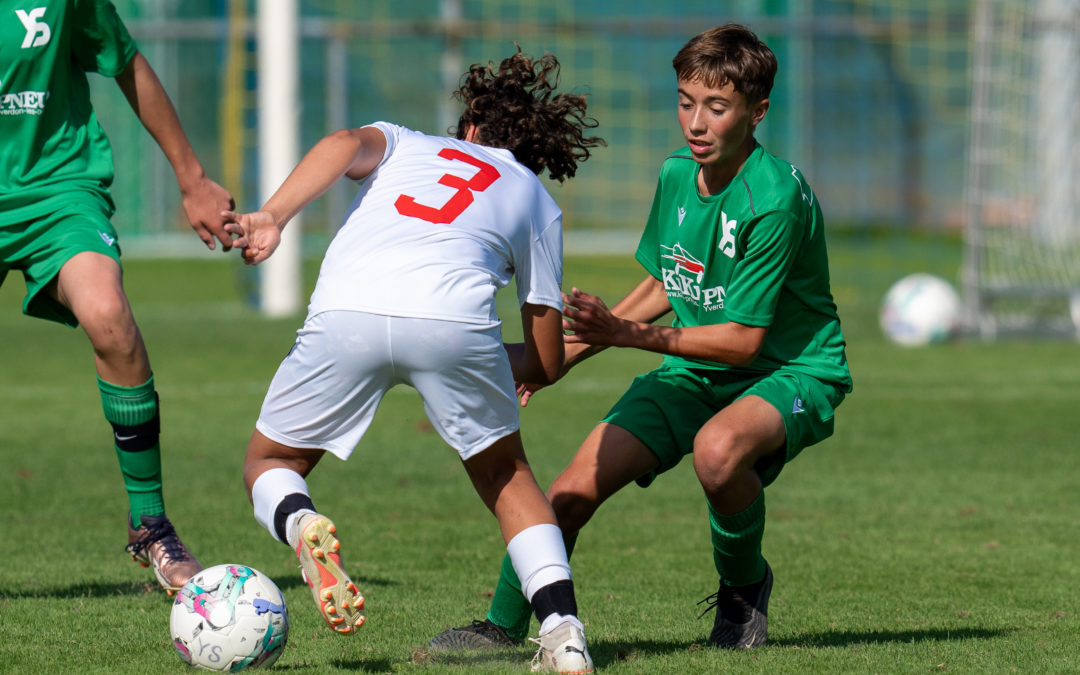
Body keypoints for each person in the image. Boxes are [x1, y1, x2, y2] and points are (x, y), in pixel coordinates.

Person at [428, 23, 852, 652]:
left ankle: (743, 591)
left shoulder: (775, 199)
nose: (696, 123)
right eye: (686, 102)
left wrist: (623, 334)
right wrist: (558, 360)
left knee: (717, 452)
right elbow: (666, 283)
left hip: (791, 369)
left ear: (757, 112)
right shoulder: (678, 175)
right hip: (694, 369)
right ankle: (501, 624)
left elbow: (742, 345)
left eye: (716, 106)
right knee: (570, 491)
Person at [224, 47, 605, 672]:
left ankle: (300, 525)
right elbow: (545, 358)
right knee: (506, 477)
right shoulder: (533, 195)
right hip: (455, 319)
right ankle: (564, 634)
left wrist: (274, 215)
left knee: (270, 461)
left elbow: (344, 141)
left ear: (471, 130)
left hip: (349, 306)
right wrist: (494, 361)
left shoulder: (406, 143)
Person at [0, 0, 234, 592]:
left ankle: (150, 525)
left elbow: (127, 63)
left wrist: (192, 177)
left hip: (56, 188)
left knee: (108, 315)